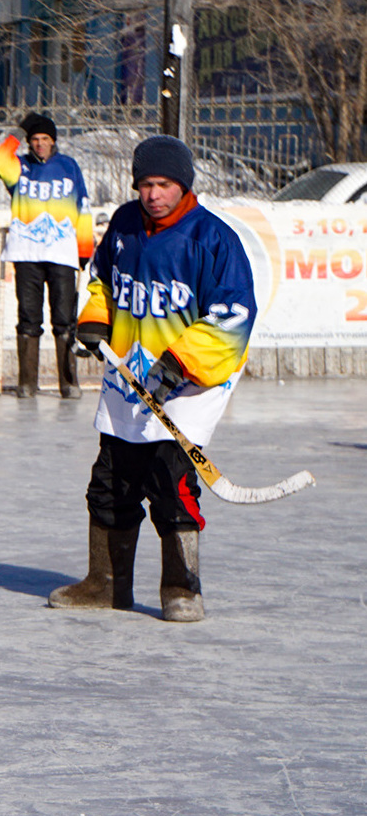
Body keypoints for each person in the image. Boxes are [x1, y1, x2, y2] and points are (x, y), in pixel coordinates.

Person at [51, 135, 254, 623]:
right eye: (144, 184)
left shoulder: (213, 239)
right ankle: (106, 584)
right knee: (111, 482)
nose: (153, 194)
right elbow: (102, 277)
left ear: (183, 185)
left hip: (188, 386)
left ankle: (182, 587)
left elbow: (233, 315)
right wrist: (95, 316)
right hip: (128, 375)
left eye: (163, 184)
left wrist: (179, 365)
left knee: (171, 483)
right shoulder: (123, 224)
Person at [0, 113, 92, 398]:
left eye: (45, 139)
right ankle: (27, 383)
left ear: (54, 141)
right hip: (26, 252)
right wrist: (18, 130)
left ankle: (68, 382)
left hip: (62, 252)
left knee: (64, 318)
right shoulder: (18, 167)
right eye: (34, 139)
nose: (40, 144)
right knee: (28, 317)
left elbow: (83, 208)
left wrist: (84, 249)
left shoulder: (69, 166)